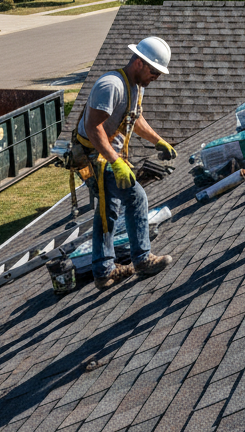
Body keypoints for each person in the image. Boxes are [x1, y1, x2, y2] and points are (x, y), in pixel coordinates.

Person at [76, 36, 178, 290]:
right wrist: (116, 162)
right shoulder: (111, 85)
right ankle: (142, 260)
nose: (157, 77)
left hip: (107, 157)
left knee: (107, 213)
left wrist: (158, 141)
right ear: (140, 63)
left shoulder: (136, 86)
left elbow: (135, 118)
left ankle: (103, 271)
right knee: (136, 198)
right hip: (95, 158)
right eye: (154, 71)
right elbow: (93, 126)